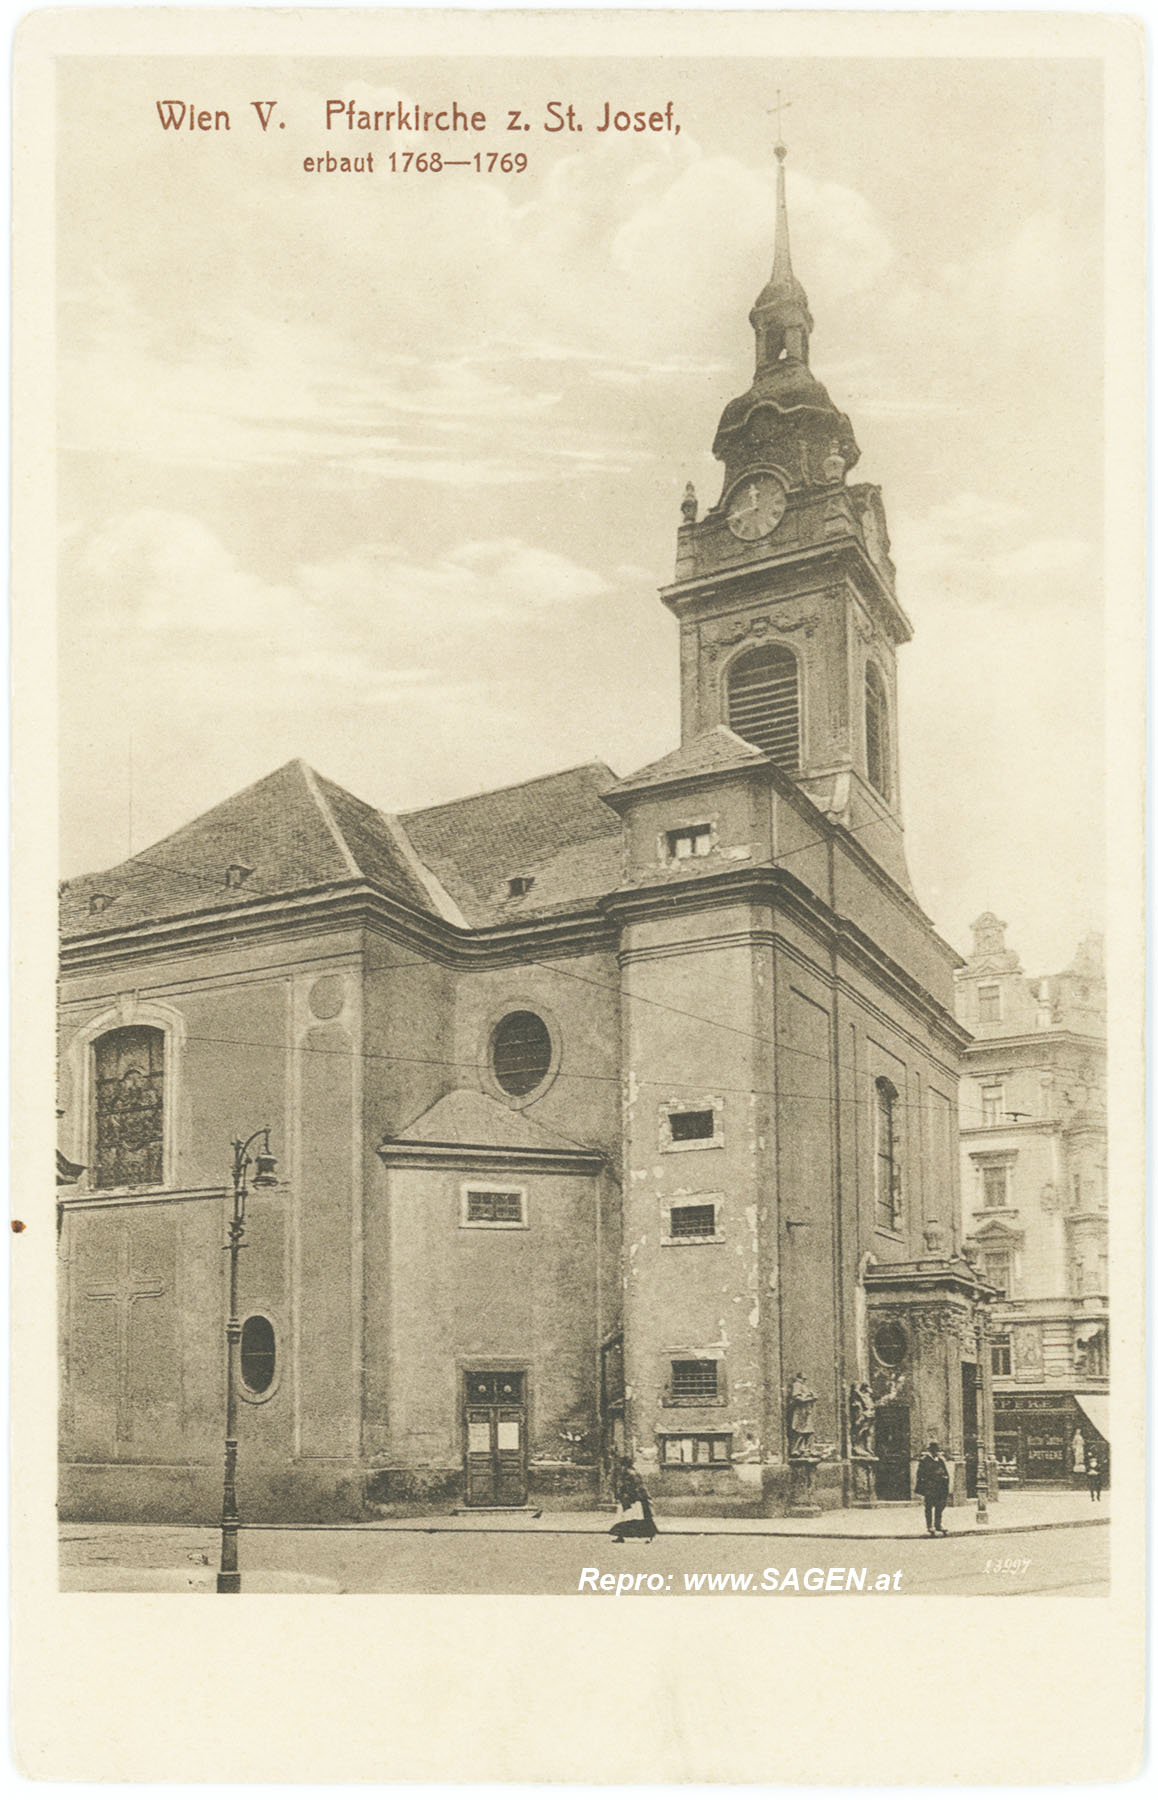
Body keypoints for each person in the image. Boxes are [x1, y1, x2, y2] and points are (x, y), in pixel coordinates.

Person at [609, 1457, 658, 1542]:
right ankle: (648, 1536)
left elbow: (628, 1487)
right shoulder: (634, 1472)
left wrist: (621, 1495)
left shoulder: (627, 1473)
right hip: (637, 1499)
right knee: (638, 1518)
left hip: (631, 1499)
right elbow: (641, 1486)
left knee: (625, 1518)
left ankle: (620, 1536)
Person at [915, 1439, 952, 1536]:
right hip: (930, 1488)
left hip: (940, 1488)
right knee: (929, 1507)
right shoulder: (924, 1461)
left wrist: (945, 1479)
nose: (936, 1452)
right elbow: (921, 1475)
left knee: (940, 1507)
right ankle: (929, 1526)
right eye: (935, 1450)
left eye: (937, 1450)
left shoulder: (940, 1461)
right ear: (931, 1451)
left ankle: (938, 1524)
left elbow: (945, 1472)